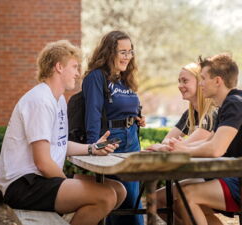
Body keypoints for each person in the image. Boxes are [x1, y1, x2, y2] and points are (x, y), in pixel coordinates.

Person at [0, 40, 127, 225]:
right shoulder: (40, 100)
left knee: (118, 190)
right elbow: (42, 162)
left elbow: (59, 144)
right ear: (59, 67)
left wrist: (92, 148)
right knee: (105, 196)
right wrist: (68, 186)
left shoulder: (58, 101)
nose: (78, 73)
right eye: (74, 67)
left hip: (40, 180)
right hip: (22, 184)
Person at [156, 54, 242, 225]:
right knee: (161, 198)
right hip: (240, 178)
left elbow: (216, 149)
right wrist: (175, 147)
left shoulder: (236, 102)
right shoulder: (227, 105)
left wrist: (184, 150)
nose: (200, 83)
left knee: (186, 196)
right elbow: (209, 141)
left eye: (203, 78)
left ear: (218, 81)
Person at [82, 30, 145, 225]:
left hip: (132, 140)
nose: (127, 57)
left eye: (130, 52)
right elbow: (92, 113)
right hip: (111, 141)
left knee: (133, 199)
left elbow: (127, 108)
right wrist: (94, 148)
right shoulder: (96, 77)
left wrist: (137, 119)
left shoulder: (126, 79)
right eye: (122, 52)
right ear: (110, 52)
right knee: (122, 200)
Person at [146, 63, 216, 152]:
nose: (179, 86)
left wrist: (162, 147)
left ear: (200, 82)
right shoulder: (189, 114)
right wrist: (170, 144)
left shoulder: (212, 112)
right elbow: (166, 141)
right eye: (179, 81)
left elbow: (182, 147)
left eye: (185, 81)